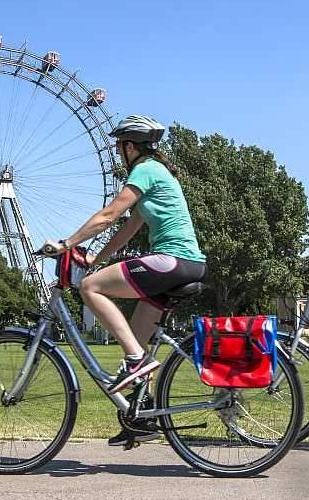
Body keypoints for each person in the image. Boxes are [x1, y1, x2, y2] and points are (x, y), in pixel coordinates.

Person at [39, 115, 206, 445]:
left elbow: (108, 216)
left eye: (120, 148)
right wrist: (94, 260)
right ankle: (140, 419)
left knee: (91, 288)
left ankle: (136, 360)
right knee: (137, 338)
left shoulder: (144, 169)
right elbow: (128, 228)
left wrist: (66, 244)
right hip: (185, 264)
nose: (118, 153)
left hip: (172, 261)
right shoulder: (157, 173)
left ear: (130, 147)